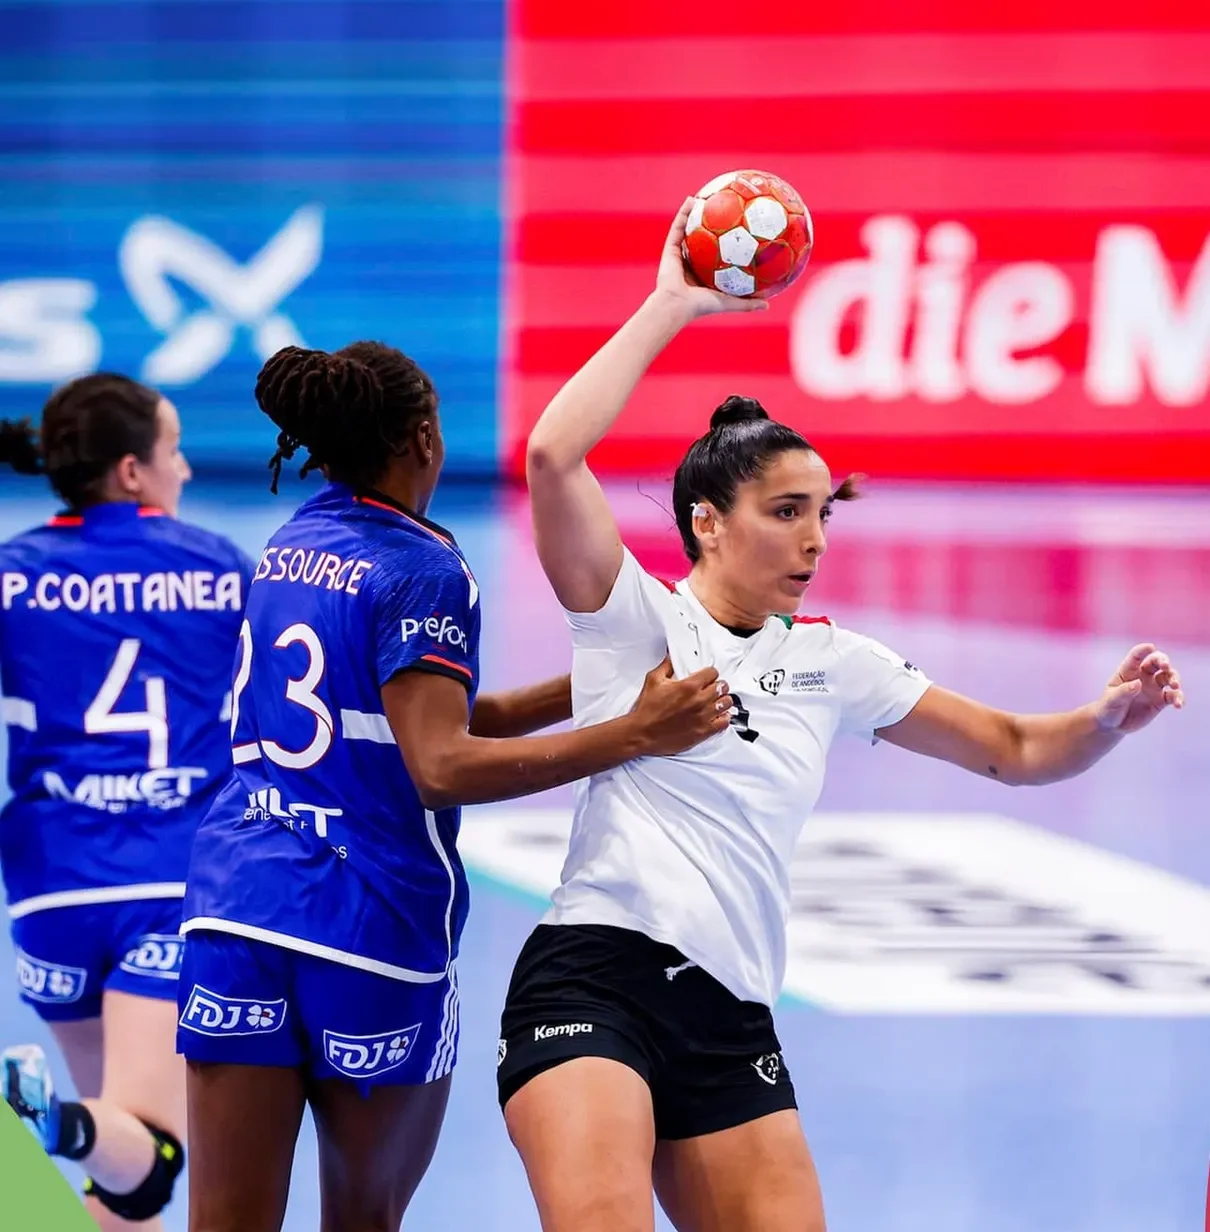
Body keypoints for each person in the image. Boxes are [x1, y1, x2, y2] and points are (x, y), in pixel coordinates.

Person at [494, 198, 1188, 1232]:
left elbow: (1010, 748)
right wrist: (670, 303)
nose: (814, 537)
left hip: (729, 1011)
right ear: (705, 522)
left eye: (825, 510)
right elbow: (552, 456)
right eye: (785, 512)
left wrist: (1105, 718)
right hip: (591, 978)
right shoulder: (629, 617)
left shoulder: (831, 660)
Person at [177, 341, 731, 1232]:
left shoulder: (292, 544)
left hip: (239, 908)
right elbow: (438, 766)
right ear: (425, 439)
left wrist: (603, 692)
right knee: (362, 1218)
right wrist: (636, 733)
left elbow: (433, 722)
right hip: (369, 927)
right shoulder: (425, 567)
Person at [0, 374, 254, 1230]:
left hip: (49, 883)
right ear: (133, 470)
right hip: (169, 881)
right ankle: (46, 1120)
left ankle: (57, 1121)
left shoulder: (12, 574)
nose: (183, 467)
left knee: (125, 1174)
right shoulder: (219, 567)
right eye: (173, 449)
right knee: (148, 1150)